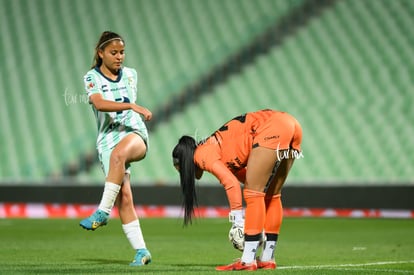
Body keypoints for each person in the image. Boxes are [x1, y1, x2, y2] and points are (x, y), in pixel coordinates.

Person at [172, 109, 302, 271]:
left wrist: (238, 221)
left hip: (272, 127)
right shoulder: (215, 150)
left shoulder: (201, 155)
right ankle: (267, 258)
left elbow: (231, 183)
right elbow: (245, 178)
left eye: (180, 170)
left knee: (253, 194)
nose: (183, 174)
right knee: (272, 195)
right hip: (291, 125)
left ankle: (248, 260)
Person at [80, 31, 152, 267]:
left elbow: (124, 108)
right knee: (125, 197)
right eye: (114, 52)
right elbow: (99, 103)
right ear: (100, 53)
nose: (119, 57)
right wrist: (131, 104)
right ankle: (142, 252)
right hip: (107, 140)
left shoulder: (131, 75)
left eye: (122, 52)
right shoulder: (91, 77)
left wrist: (131, 108)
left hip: (133, 134)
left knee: (121, 154)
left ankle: (101, 212)